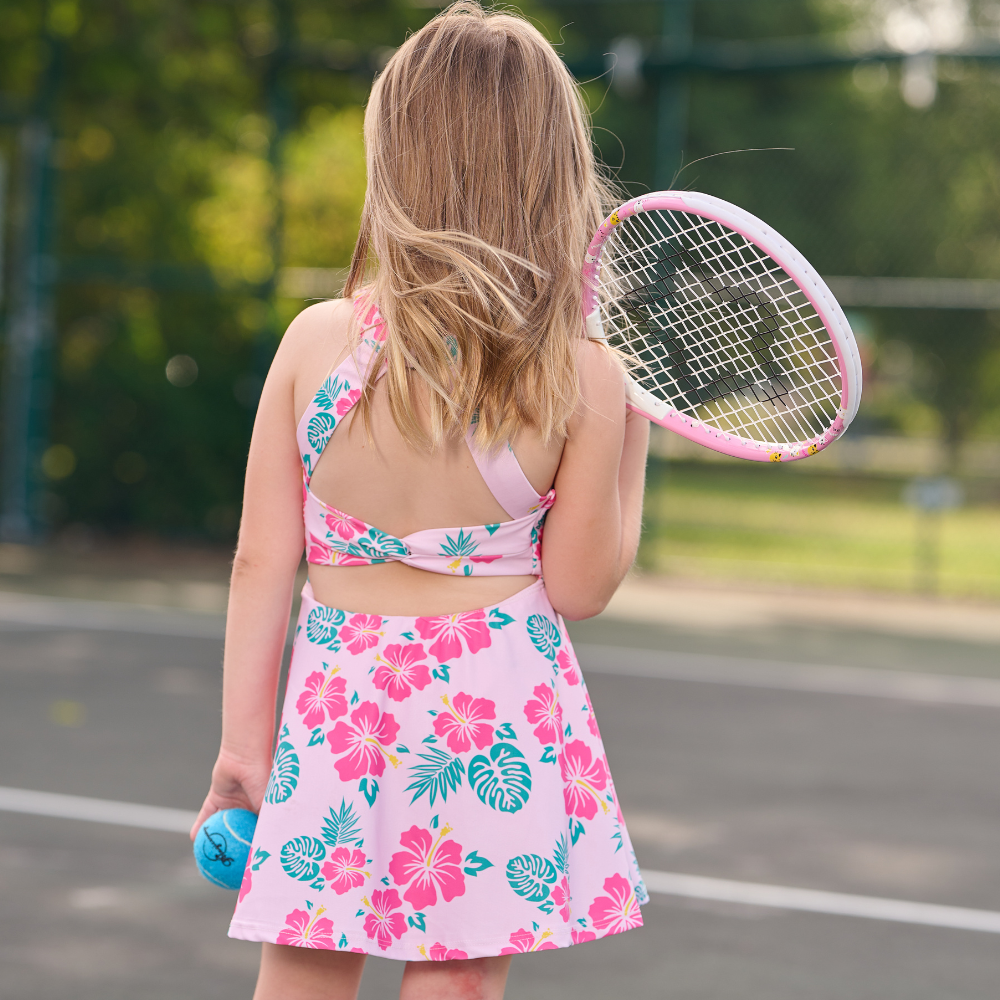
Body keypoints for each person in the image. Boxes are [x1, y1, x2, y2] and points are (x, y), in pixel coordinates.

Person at [191, 4, 650, 998]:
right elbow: (580, 585)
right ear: (553, 166)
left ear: (393, 155)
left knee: (302, 968)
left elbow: (260, 560)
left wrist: (241, 748)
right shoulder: (583, 376)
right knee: (457, 982)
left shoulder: (315, 341)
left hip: (337, 707)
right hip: (494, 712)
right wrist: (630, 447)